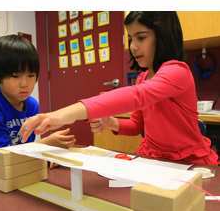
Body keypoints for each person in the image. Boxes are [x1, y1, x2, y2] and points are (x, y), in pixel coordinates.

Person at [21, 12, 218, 166]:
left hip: (188, 161)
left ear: (164, 36)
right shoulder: (142, 78)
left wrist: (61, 115)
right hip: (155, 158)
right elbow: (137, 126)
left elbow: (136, 96)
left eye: (141, 38)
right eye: (130, 38)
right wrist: (111, 123)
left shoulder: (177, 71)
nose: (133, 46)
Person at [0, 34, 75, 166]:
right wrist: (46, 144)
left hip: (7, 163)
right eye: (15, 76)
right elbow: (3, 154)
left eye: (31, 75)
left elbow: (25, 148)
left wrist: (46, 157)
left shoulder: (31, 105)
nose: (25, 84)